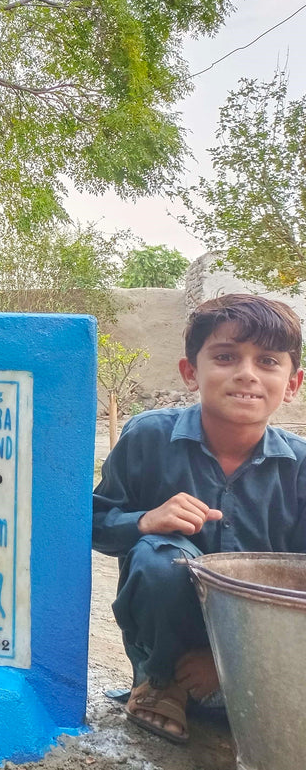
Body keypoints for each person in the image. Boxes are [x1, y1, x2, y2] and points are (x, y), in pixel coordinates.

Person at [93, 294, 306, 745]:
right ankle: (161, 684)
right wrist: (144, 521)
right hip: (167, 658)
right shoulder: (148, 436)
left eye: (268, 361)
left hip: (265, 658)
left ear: (292, 383)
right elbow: (92, 523)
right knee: (160, 555)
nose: (247, 373)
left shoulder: (301, 468)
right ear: (191, 373)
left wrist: (229, 660)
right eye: (226, 357)